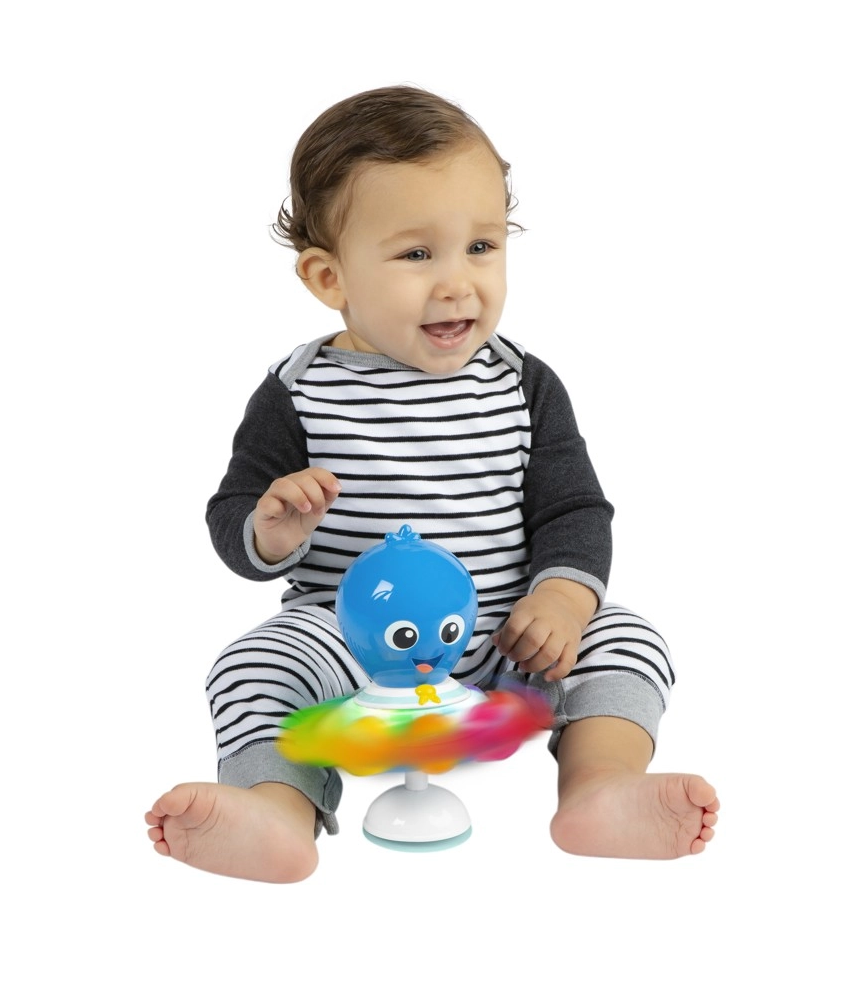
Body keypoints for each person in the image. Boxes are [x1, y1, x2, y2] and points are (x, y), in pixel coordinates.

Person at [145, 86, 719, 882]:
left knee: (627, 637)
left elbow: (575, 509)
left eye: (481, 247)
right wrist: (270, 530)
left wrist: (561, 601)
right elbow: (234, 514)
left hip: (509, 636)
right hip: (349, 643)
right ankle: (275, 810)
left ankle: (601, 786)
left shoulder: (521, 383)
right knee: (255, 663)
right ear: (328, 276)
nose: (457, 283)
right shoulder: (298, 392)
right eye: (417, 255)